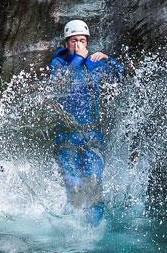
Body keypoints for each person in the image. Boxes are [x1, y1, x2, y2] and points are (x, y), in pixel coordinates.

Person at [50, 19, 124, 226]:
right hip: (66, 135)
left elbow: (121, 76)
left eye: (82, 40)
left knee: (93, 184)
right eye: (74, 41)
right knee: (74, 187)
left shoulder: (95, 63)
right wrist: (78, 60)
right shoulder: (59, 63)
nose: (79, 45)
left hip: (91, 135)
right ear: (66, 44)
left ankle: (93, 231)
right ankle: (71, 229)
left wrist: (109, 60)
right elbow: (60, 84)